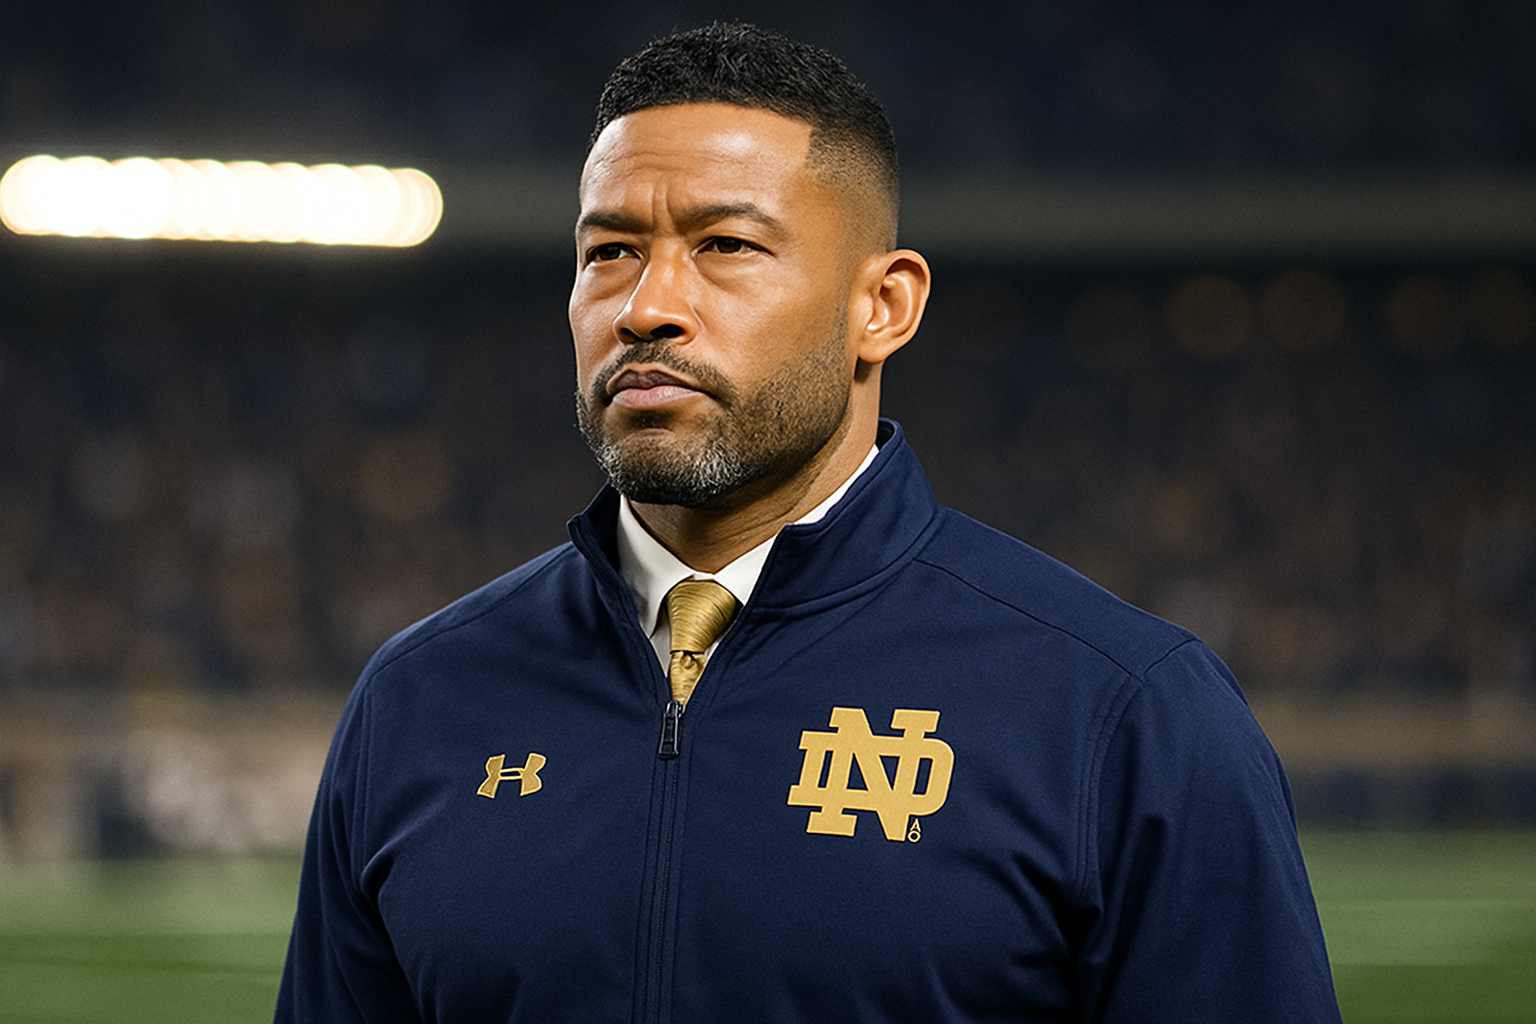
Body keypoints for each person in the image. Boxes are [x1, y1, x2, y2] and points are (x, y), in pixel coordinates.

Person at [276, 22, 1342, 1024]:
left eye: (726, 245)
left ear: (883, 307)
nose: (645, 306)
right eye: (609, 252)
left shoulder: (1125, 712)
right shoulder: (415, 701)